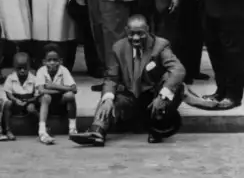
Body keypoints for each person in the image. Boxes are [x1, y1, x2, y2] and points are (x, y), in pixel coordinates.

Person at [71, 15, 186, 146]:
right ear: (126, 31)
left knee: (173, 84)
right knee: (109, 99)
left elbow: (178, 70)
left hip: (154, 96)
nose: (136, 38)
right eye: (132, 34)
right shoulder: (118, 48)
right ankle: (97, 131)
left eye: (140, 34)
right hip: (131, 95)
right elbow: (111, 77)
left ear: (147, 30)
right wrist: (108, 98)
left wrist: (162, 96)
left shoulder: (160, 45)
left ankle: (157, 129)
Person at [32, 44, 78, 144]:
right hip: (44, 102)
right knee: (46, 97)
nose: (52, 63)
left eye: (55, 60)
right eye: (49, 60)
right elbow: (42, 91)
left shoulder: (63, 70)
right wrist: (63, 89)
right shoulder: (41, 71)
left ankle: (73, 128)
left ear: (60, 61)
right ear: (44, 62)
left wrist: (54, 86)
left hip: (59, 101)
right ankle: (42, 131)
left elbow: (74, 89)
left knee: (70, 96)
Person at [0, 52, 38, 142]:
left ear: (29, 67)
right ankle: (7, 130)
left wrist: (28, 100)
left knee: (32, 109)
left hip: (28, 101)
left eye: (25, 68)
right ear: (14, 68)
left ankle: (43, 127)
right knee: (7, 105)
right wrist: (15, 100)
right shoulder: (10, 78)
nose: (22, 71)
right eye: (19, 68)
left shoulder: (34, 79)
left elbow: (37, 95)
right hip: (15, 102)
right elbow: (8, 93)